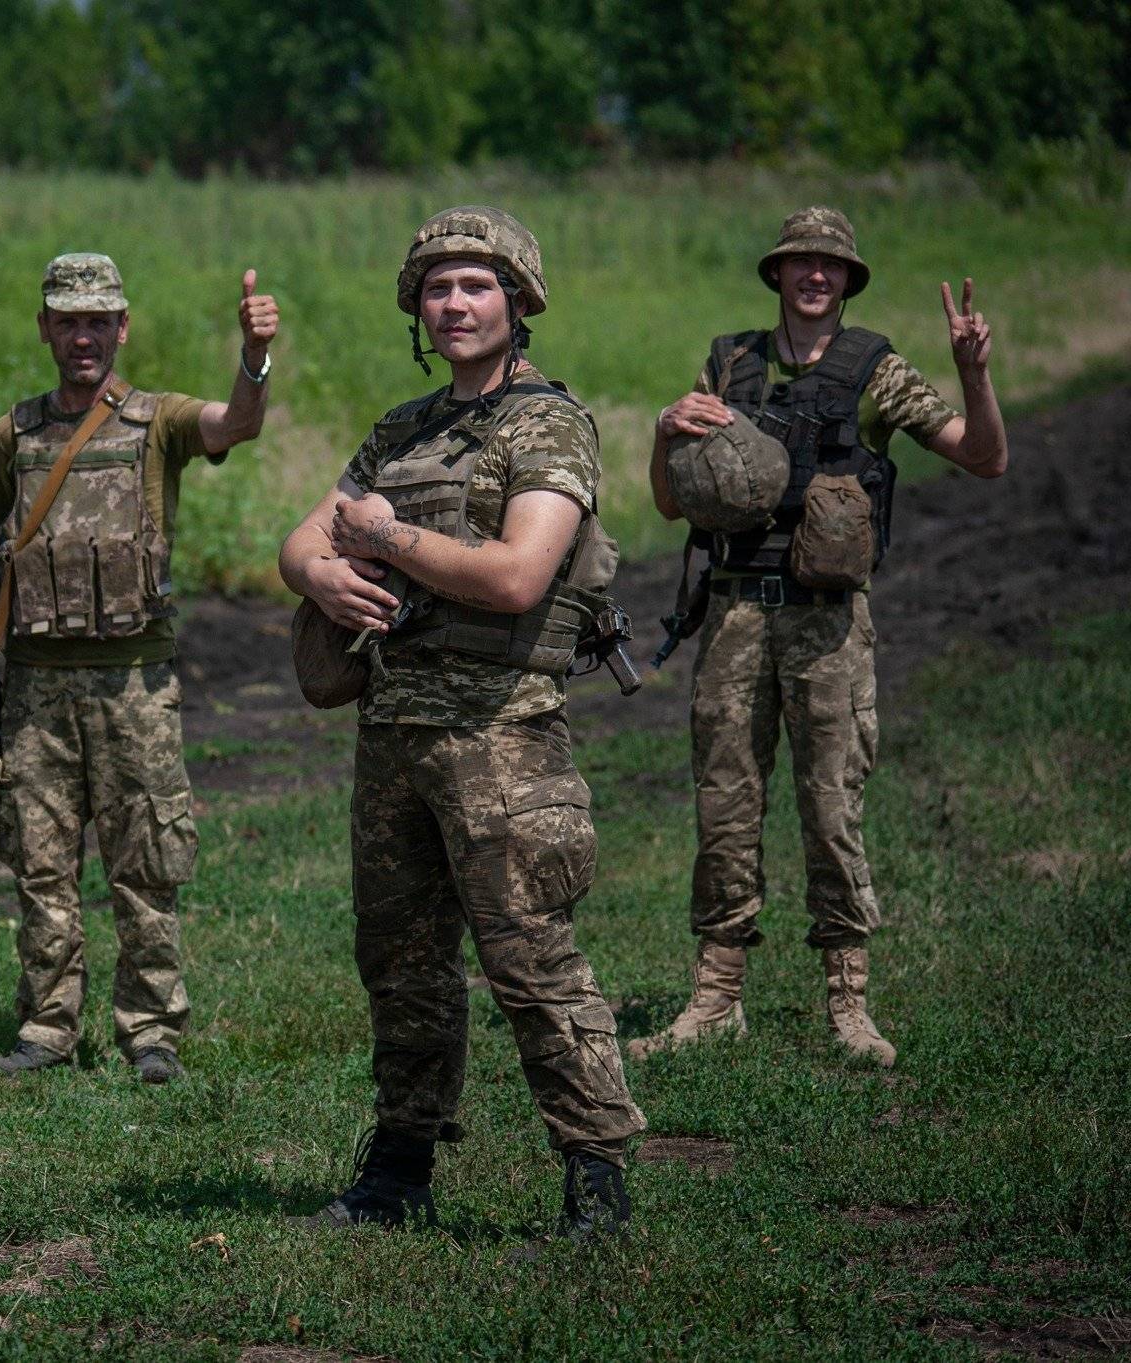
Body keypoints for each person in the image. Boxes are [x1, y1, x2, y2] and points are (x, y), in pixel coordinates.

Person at [278, 207, 643, 1236]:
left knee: (528, 959)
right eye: (436, 287)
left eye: (474, 285)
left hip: (502, 732)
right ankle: (395, 1172)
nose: (452, 303)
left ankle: (595, 1177)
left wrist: (385, 537)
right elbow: (299, 541)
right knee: (398, 962)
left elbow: (520, 574)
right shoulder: (399, 430)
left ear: (517, 299)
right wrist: (323, 575)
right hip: (393, 731)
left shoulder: (546, 424)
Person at [634, 206, 1007, 1067]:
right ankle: (715, 996)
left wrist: (973, 372)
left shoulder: (875, 370)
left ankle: (849, 1000)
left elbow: (985, 457)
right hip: (731, 614)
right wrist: (663, 431)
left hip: (828, 624)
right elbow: (667, 502)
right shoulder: (728, 363)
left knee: (832, 804)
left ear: (849, 278)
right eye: (800, 262)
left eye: (831, 265)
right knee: (726, 800)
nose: (815, 275)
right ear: (778, 273)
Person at [0, 253, 280, 1084]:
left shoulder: (156, 421)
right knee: (42, 859)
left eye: (98, 320)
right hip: (35, 685)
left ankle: (151, 1032)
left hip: (135, 685)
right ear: (45, 328)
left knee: (146, 858)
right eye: (67, 320)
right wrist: (29, 591)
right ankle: (47, 1025)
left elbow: (236, 424)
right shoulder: (17, 434)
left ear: (122, 327)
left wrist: (254, 361)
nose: (82, 336)